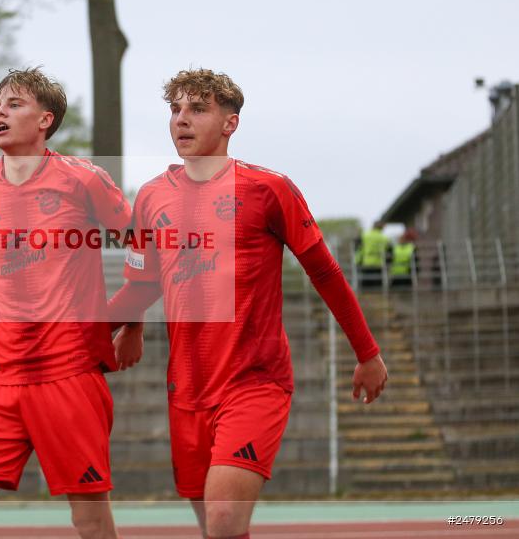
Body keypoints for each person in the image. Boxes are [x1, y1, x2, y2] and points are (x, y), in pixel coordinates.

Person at [107, 68, 388, 539]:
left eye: (197, 109)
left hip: (254, 383)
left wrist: (368, 352)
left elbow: (325, 272)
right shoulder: (152, 196)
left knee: (222, 519)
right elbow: (141, 282)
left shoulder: (269, 189)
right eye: (175, 110)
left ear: (230, 123)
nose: (181, 120)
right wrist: (121, 326)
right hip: (187, 388)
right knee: (215, 529)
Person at [0, 68, 131, 539]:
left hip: (70, 376)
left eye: (14, 104)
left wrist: (129, 321)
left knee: (91, 523)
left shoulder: (85, 180)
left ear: (45, 119)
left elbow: (146, 251)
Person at [355, 221, 390, 289]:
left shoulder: (365, 235)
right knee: (377, 286)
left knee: (366, 285)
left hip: (366, 262)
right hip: (379, 263)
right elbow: (388, 249)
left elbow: (358, 247)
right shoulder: (384, 237)